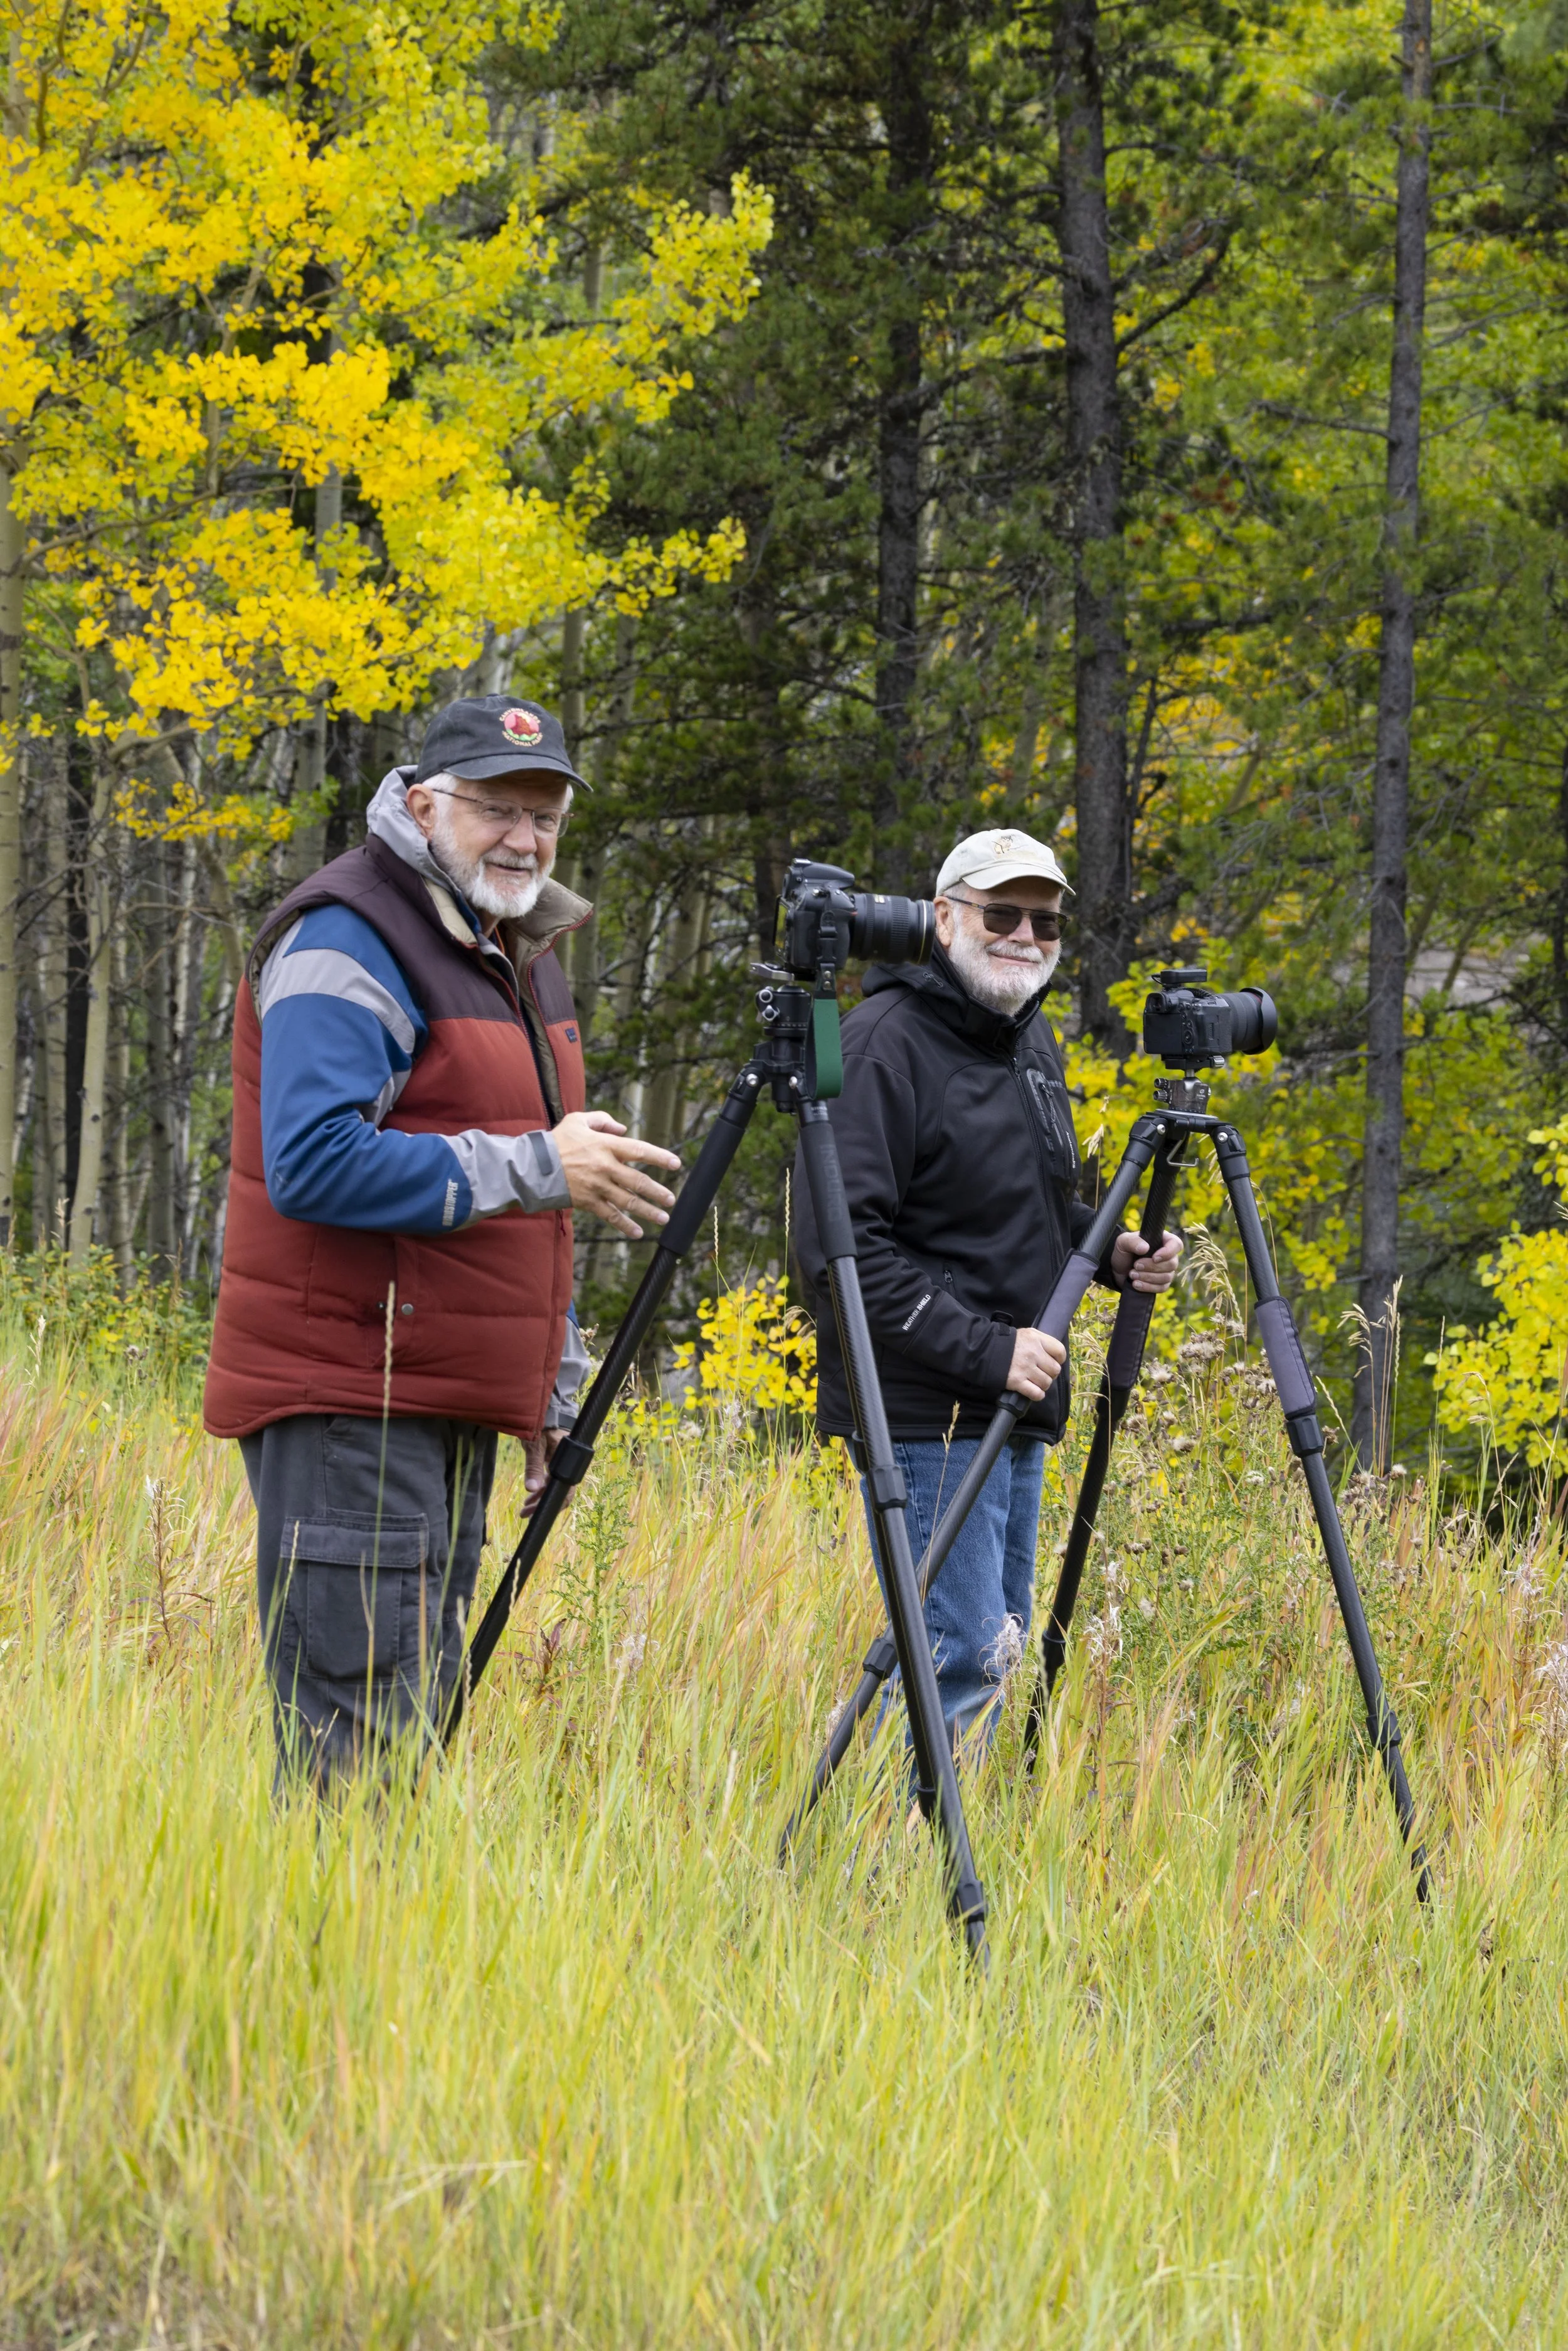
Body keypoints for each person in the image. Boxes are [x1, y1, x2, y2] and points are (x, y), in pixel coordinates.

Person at [204, 693, 681, 1785]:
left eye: (545, 817)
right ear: (423, 804)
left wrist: (547, 1391)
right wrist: (541, 1162)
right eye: (495, 809)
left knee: (402, 1736)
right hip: (353, 1402)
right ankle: (323, 1954)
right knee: (355, 1748)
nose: (524, 838)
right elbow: (316, 1161)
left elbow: (533, 1217)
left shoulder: (511, 947)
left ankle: (373, 1952)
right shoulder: (350, 932)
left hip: (437, 1403)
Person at [793, 826, 1181, 1756]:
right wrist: (990, 1349)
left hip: (1018, 1402)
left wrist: (1109, 1248)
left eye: (1044, 922)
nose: (1025, 936)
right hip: (929, 1413)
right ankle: (886, 1879)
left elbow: (1033, 1205)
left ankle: (928, 1857)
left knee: (992, 1646)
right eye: (1001, 913)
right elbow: (838, 1253)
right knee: (959, 1651)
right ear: (944, 918)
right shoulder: (880, 1045)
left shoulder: (1028, 1039)